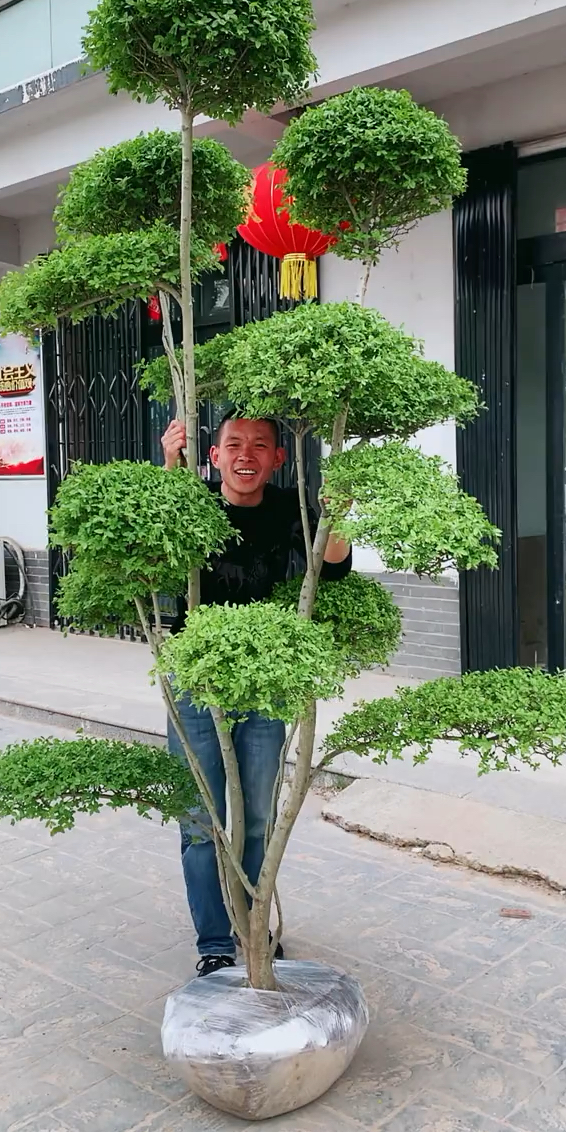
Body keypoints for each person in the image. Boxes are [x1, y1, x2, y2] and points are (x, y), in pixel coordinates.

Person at [162, 412, 351, 976]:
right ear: (214, 456)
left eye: (260, 446)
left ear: (278, 458)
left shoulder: (291, 506)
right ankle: (214, 945)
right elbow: (160, 553)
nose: (247, 455)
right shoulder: (191, 504)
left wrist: (336, 510)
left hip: (266, 681)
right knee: (201, 819)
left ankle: (254, 927)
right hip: (194, 676)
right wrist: (168, 468)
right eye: (234, 445)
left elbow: (335, 568)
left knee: (260, 816)